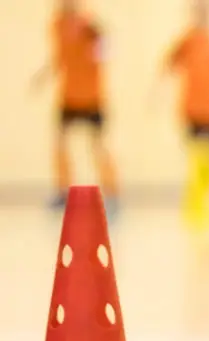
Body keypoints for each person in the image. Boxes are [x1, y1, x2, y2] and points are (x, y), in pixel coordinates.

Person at [31, 0, 119, 215]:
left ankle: (112, 195)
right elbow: (60, 56)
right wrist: (44, 75)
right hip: (69, 97)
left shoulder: (90, 25)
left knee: (98, 145)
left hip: (92, 98)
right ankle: (63, 192)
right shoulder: (57, 24)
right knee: (59, 142)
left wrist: (101, 39)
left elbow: (106, 52)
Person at [156, 0, 209, 227]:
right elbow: (167, 65)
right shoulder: (186, 41)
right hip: (191, 111)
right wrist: (157, 94)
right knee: (195, 157)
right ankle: (196, 203)